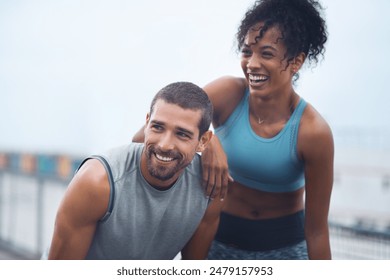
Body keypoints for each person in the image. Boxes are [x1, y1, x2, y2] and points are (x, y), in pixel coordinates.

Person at [202, 0, 334, 259]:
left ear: (296, 62)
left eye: (267, 53)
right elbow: (155, 132)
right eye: (247, 51)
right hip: (217, 242)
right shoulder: (226, 95)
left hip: (283, 251)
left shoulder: (313, 132)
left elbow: (317, 232)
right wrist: (207, 141)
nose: (251, 64)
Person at [45, 81, 223, 260]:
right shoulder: (97, 181)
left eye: (182, 134)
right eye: (158, 127)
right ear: (147, 124)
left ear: (204, 141)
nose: (164, 145)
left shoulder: (209, 188)